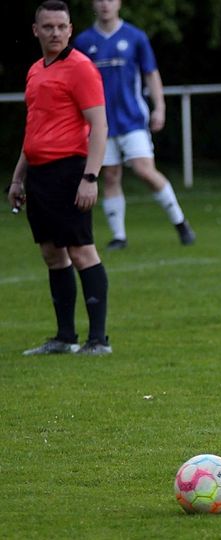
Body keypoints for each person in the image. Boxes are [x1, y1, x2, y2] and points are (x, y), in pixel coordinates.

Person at [8, 1, 112, 356]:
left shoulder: (81, 68)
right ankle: (65, 338)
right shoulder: (35, 70)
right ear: (36, 30)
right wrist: (18, 178)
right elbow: (33, 130)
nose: (55, 32)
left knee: (81, 251)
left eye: (61, 26)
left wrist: (90, 177)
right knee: (52, 253)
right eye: (48, 26)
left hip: (70, 171)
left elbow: (99, 126)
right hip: (39, 174)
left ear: (70, 29)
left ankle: (98, 340)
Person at [73, 0, 195, 250]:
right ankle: (119, 236)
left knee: (144, 170)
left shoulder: (135, 37)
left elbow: (151, 73)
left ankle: (180, 222)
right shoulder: (84, 41)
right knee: (110, 175)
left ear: (119, 3)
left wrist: (159, 107)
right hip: (101, 124)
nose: (105, 5)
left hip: (133, 119)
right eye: (100, 0)